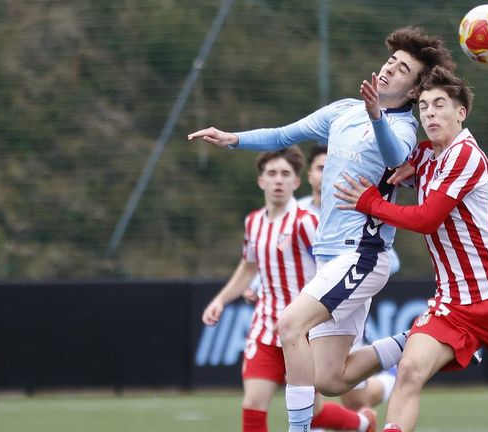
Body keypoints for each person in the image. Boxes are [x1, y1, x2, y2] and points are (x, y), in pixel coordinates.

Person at [188, 26, 455, 432]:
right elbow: (282, 134)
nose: (389, 69)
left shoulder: (402, 127)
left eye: (402, 69)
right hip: (331, 256)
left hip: (362, 254)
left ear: (415, 90)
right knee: (328, 379)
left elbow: (394, 155)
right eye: (390, 61)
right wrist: (232, 139)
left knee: (290, 324)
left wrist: (376, 116)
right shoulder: (343, 111)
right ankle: (425, 340)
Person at [334, 66, 488, 432]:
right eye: (423, 107)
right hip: (452, 304)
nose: (430, 114)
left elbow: (426, 219)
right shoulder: (427, 156)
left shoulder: (465, 155)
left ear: (461, 112)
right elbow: (401, 156)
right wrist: (378, 116)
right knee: (409, 370)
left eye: (440, 105)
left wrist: (370, 202)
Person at [201, 147, 376, 432]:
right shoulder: (253, 222)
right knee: (253, 406)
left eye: (285, 174)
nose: (278, 180)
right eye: (272, 174)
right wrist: (220, 300)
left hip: (302, 333)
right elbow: (248, 268)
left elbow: (330, 266)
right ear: (261, 181)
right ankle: (361, 422)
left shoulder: (305, 222)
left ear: (296, 182)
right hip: (264, 329)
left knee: (314, 415)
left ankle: (361, 423)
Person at [298, 145, 399, 412]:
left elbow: (387, 258)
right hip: (304, 300)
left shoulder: (352, 211)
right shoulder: (296, 214)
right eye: (319, 168)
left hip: (340, 299)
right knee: (321, 383)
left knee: (355, 401)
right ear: (309, 175)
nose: (324, 174)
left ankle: (389, 378)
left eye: (327, 167)